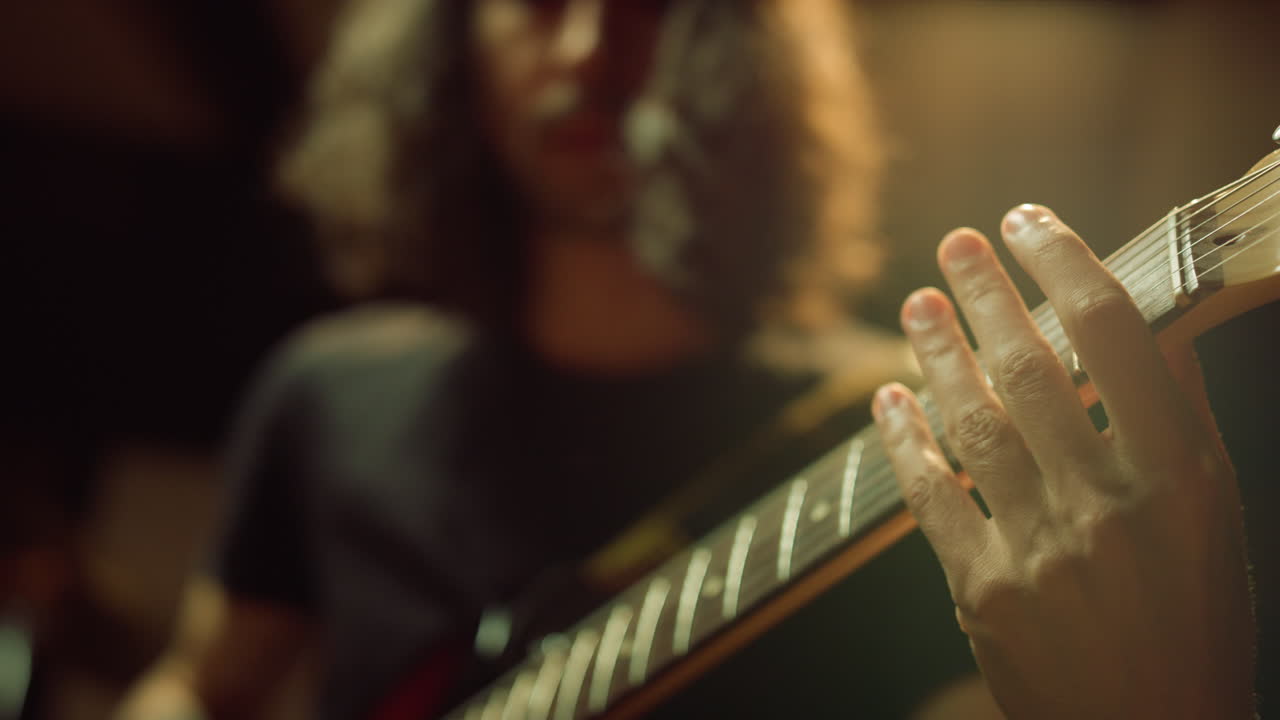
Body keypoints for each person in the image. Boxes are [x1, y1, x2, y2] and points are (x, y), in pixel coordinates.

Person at [116, 0, 1256, 718]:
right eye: (538, 3)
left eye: (649, 8)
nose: (588, 48)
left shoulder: (916, 434)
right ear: (451, 50)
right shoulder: (327, 393)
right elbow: (202, 682)